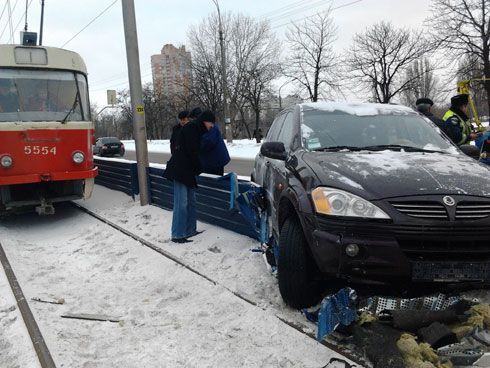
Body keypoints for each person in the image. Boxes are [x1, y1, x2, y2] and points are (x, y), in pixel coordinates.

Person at [163, 107, 207, 243]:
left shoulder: (192, 130)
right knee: (181, 203)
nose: (184, 121)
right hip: (181, 170)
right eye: (181, 119)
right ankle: (177, 234)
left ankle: (190, 230)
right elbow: (188, 151)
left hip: (188, 171)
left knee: (190, 202)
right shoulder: (185, 130)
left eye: (185, 119)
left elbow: (193, 152)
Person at [199, 110, 230, 176]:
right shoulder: (210, 126)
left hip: (215, 161)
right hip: (215, 160)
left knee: (214, 180)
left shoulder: (211, 127)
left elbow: (209, 142)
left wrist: (197, 147)